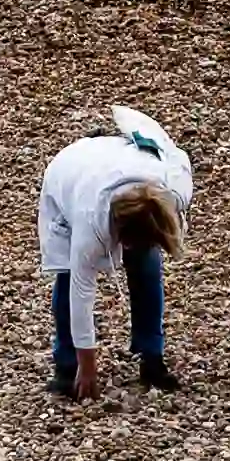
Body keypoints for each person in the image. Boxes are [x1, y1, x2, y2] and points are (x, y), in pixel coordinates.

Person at [37, 108, 195, 398]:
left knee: (147, 267)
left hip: (121, 158)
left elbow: (171, 152)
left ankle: (152, 358)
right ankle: (66, 365)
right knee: (67, 272)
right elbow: (81, 292)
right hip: (71, 170)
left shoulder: (176, 188)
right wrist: (88, 367)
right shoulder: (88, 217)